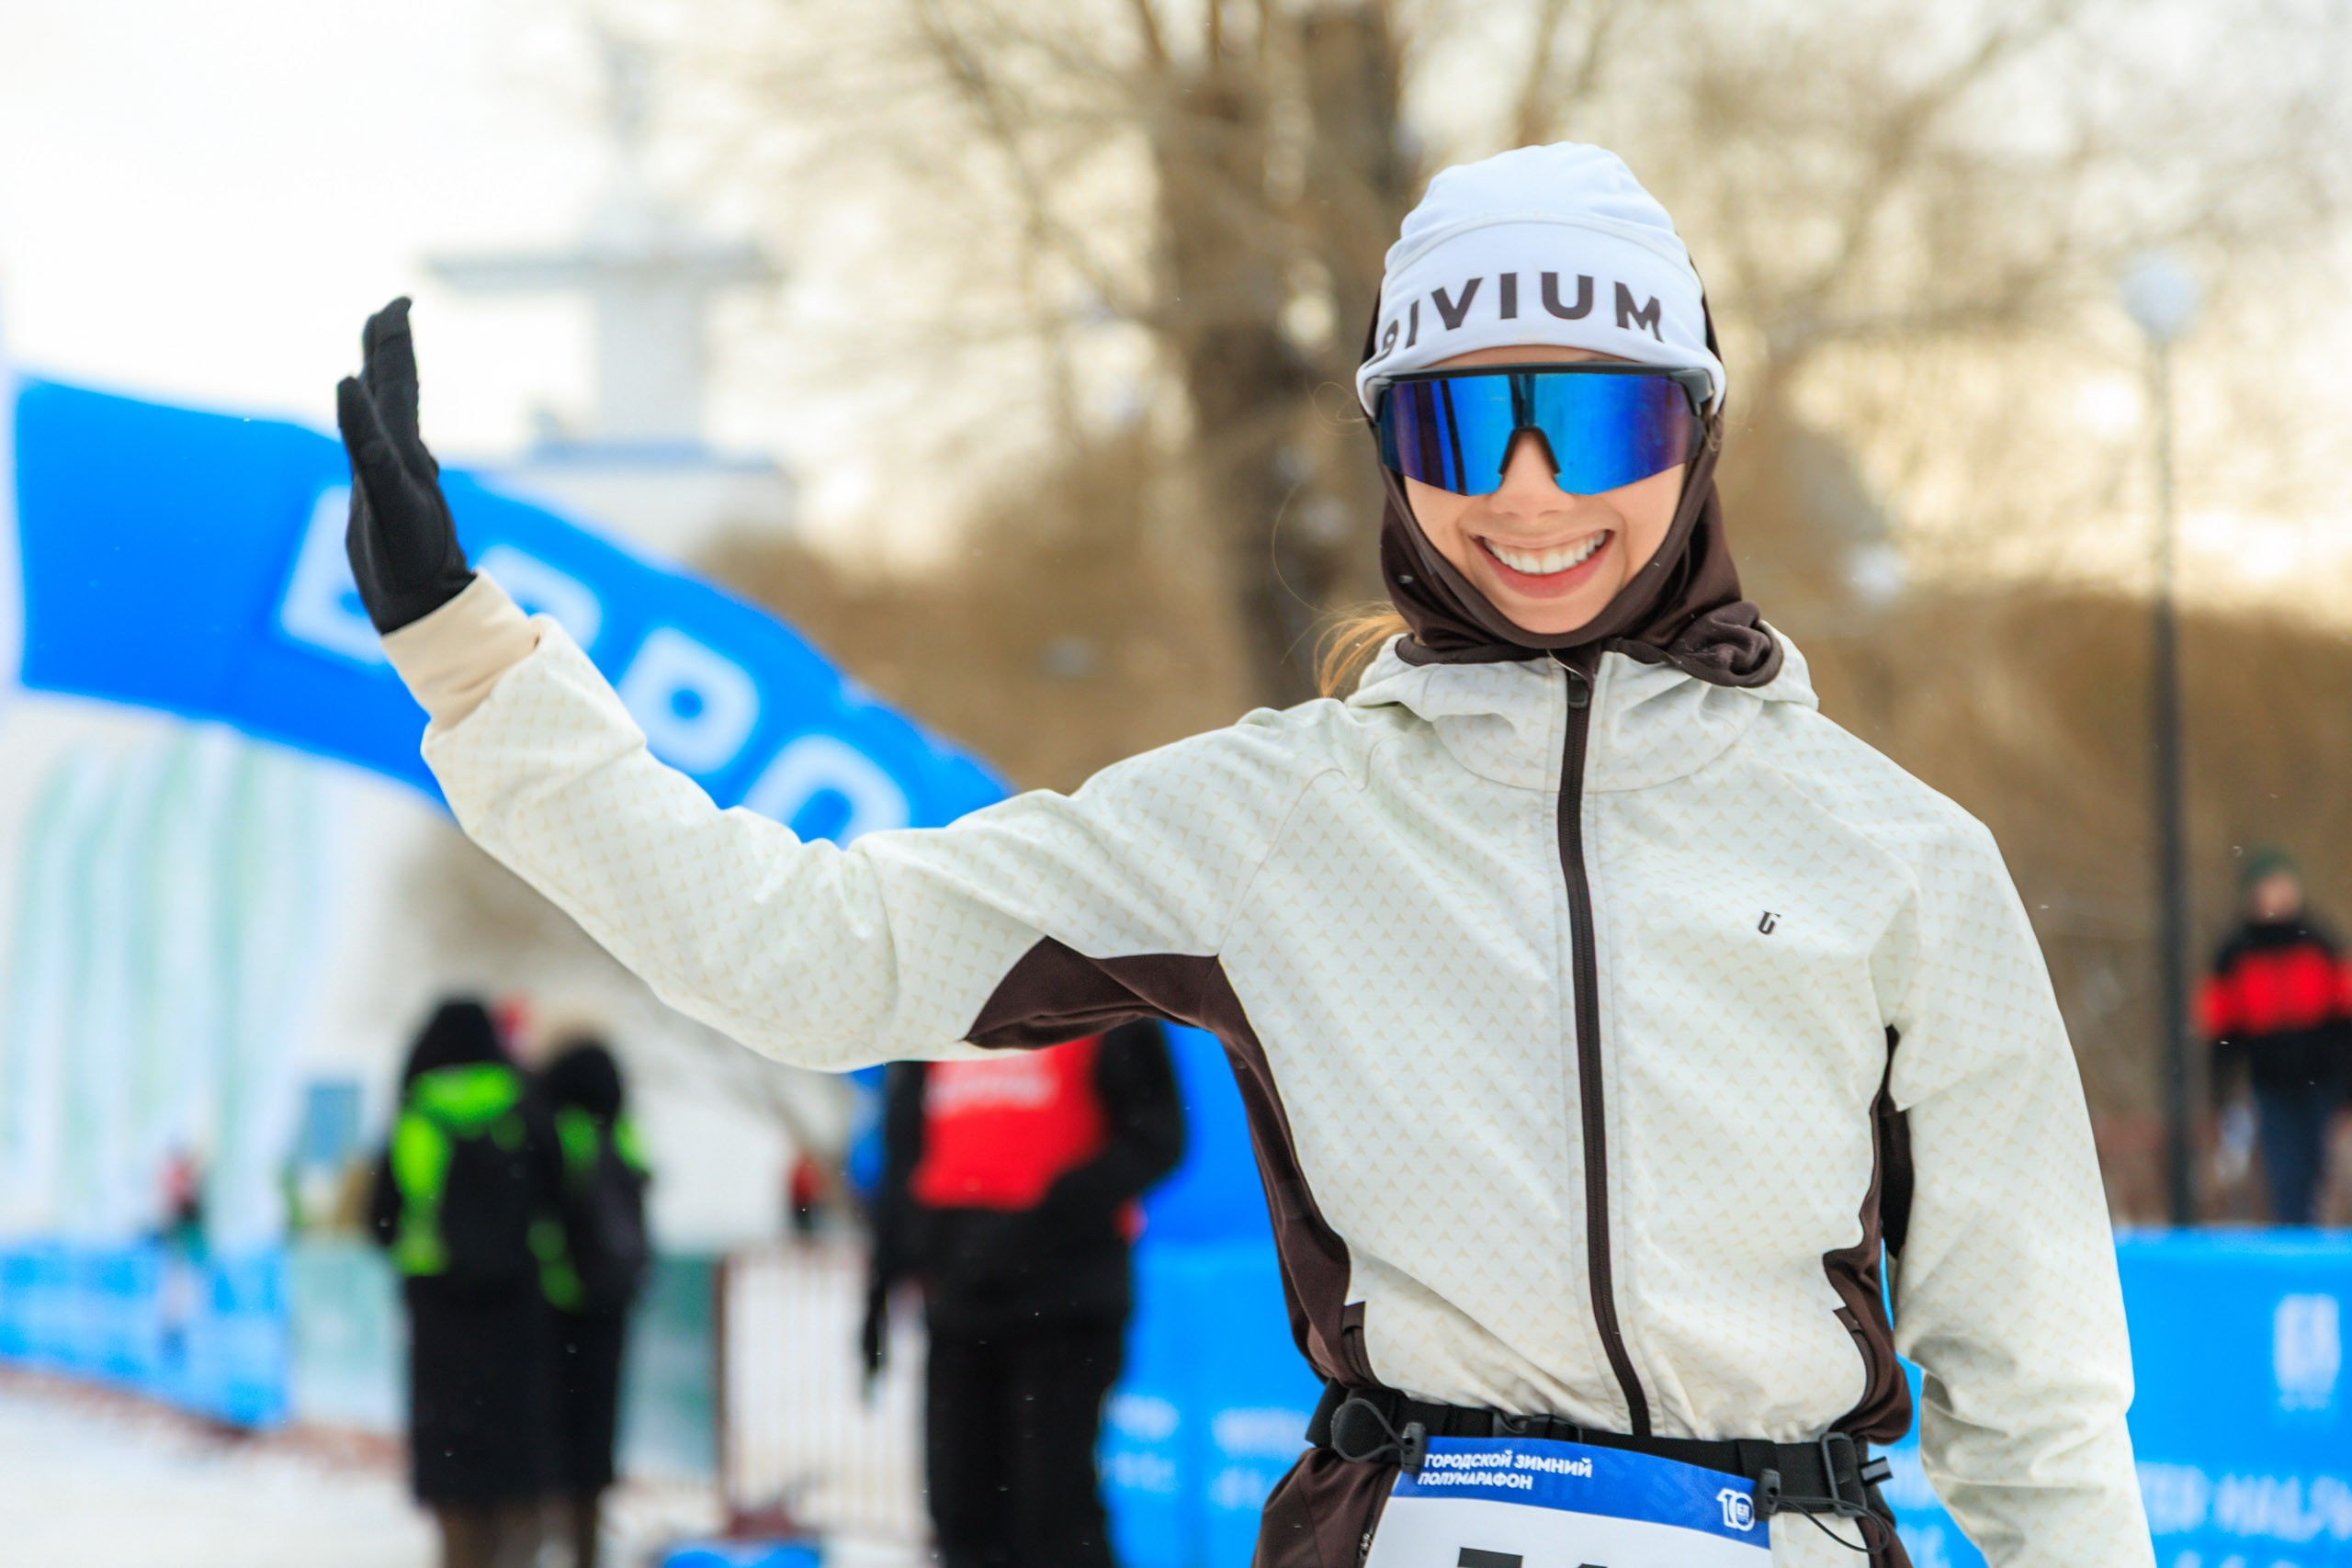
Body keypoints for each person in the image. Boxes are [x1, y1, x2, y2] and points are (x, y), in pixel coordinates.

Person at [335, 141, 2150, 1566]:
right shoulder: (1275, 820)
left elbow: (2033, 1397)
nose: (1525, 491)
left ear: (1693, 433)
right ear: (1388, 449)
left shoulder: (1893, 855)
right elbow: (807, 951)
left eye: (1590, 416)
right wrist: (472, 664)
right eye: (1459, 419)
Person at [863, 1020, 1183, 1568]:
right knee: (960, 1511)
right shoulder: (938, 1017)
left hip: (1067, 1307)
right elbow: (903, 1157)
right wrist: (880, 1284)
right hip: (960, 1309)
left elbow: (1158, 1136)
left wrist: (1046, 1217)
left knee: (1050, 1513)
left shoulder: (1100, 999)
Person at [368, 998, 562, 1568]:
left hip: (439, 1316)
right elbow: (558, 1196)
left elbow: (381, 1220)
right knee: (515, 1456)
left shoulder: (417, 1113)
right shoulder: (524, 1105)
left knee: (456, 1463)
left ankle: (463, 1554)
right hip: (518, 1312)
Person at [538, 1034, 653, 1568]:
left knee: (553, 1431)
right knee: (596, 1431)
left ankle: (558, 1542)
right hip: (613, 1305)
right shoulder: (623, 1131)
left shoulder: (559, 1130)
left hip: (560, 1307)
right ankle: (586, 1547)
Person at [2203, 849, 2352, 1224]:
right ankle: (2296, 1245)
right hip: (2270, 1085)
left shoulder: (2320, 943)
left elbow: (2345, 1017)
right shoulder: (2234, 954)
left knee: (2329, 1169)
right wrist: (2221, 1090)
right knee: (2286, 1173)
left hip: (2325, 1082)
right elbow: (2222, 1031)